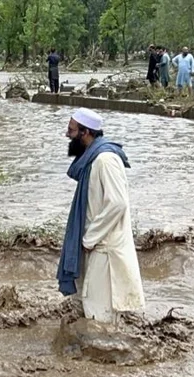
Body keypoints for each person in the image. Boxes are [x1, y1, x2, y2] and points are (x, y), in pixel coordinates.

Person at [57, 108, 145, 324]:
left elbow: (117, 203)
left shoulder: (105, 160)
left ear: (85, 132)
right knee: (92, 307)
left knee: (100, 313)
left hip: (105, 250)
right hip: (96, 247)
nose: (67, 135)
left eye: (71, 130)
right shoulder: (92, 159)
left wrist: (89, 239)